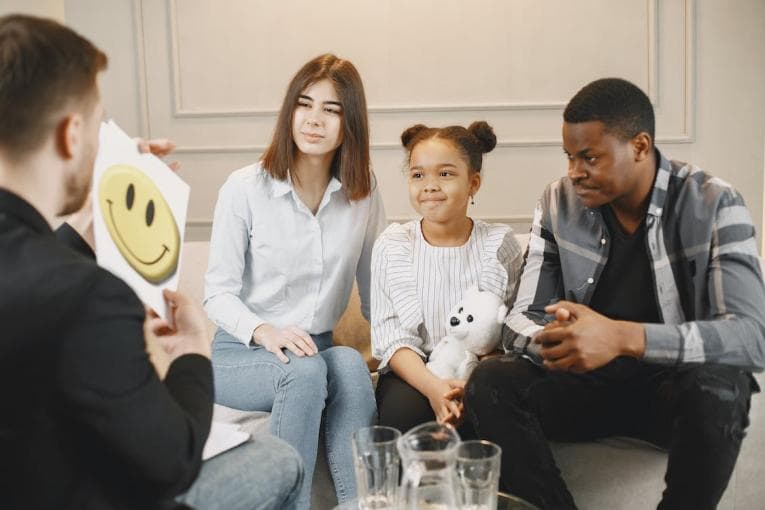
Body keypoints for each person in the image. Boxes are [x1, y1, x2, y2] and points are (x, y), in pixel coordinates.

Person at [0, 14, 302, 510]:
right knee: (278, 459)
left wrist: (99, 216)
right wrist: (192, 350)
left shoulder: (53, 275)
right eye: (99, 127)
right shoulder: (89, 297)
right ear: (71, 135)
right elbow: (172, 463)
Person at [464, 78, 765, 509]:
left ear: (640, 146)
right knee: (492, 380)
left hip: (669, 388)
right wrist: (564, 341)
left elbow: (751, 337)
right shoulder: (556, 202)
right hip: (584, 382)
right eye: (569, 156)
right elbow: (520, 317)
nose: (573, 172)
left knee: (721, 385)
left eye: (589, 157)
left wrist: (622, 338)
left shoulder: (713, 203)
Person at [204, 54, 385, 508]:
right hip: (241, 353)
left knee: (345, 364)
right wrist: (266, 332)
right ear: (290, 111)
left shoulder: (363, 193)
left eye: (332, 109)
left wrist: (404, 346)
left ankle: (362, 505)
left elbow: (376, 291)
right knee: (302, 371)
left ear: (351, 123)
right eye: (305, 104)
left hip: (316, 349)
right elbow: (217, 293)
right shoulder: (244, 188)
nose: (314, 120)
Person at [371, 121, 524, 433]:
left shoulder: (499, 245)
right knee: (402, 417)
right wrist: (433, 387)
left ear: (473, 183)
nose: (430, 185)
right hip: (413, 370)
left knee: (487, 412)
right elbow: (392, 338)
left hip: (479, 368)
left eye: (445, 173)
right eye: (418, 175)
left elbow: (509, 328)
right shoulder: (393, 246)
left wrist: (467, 381)